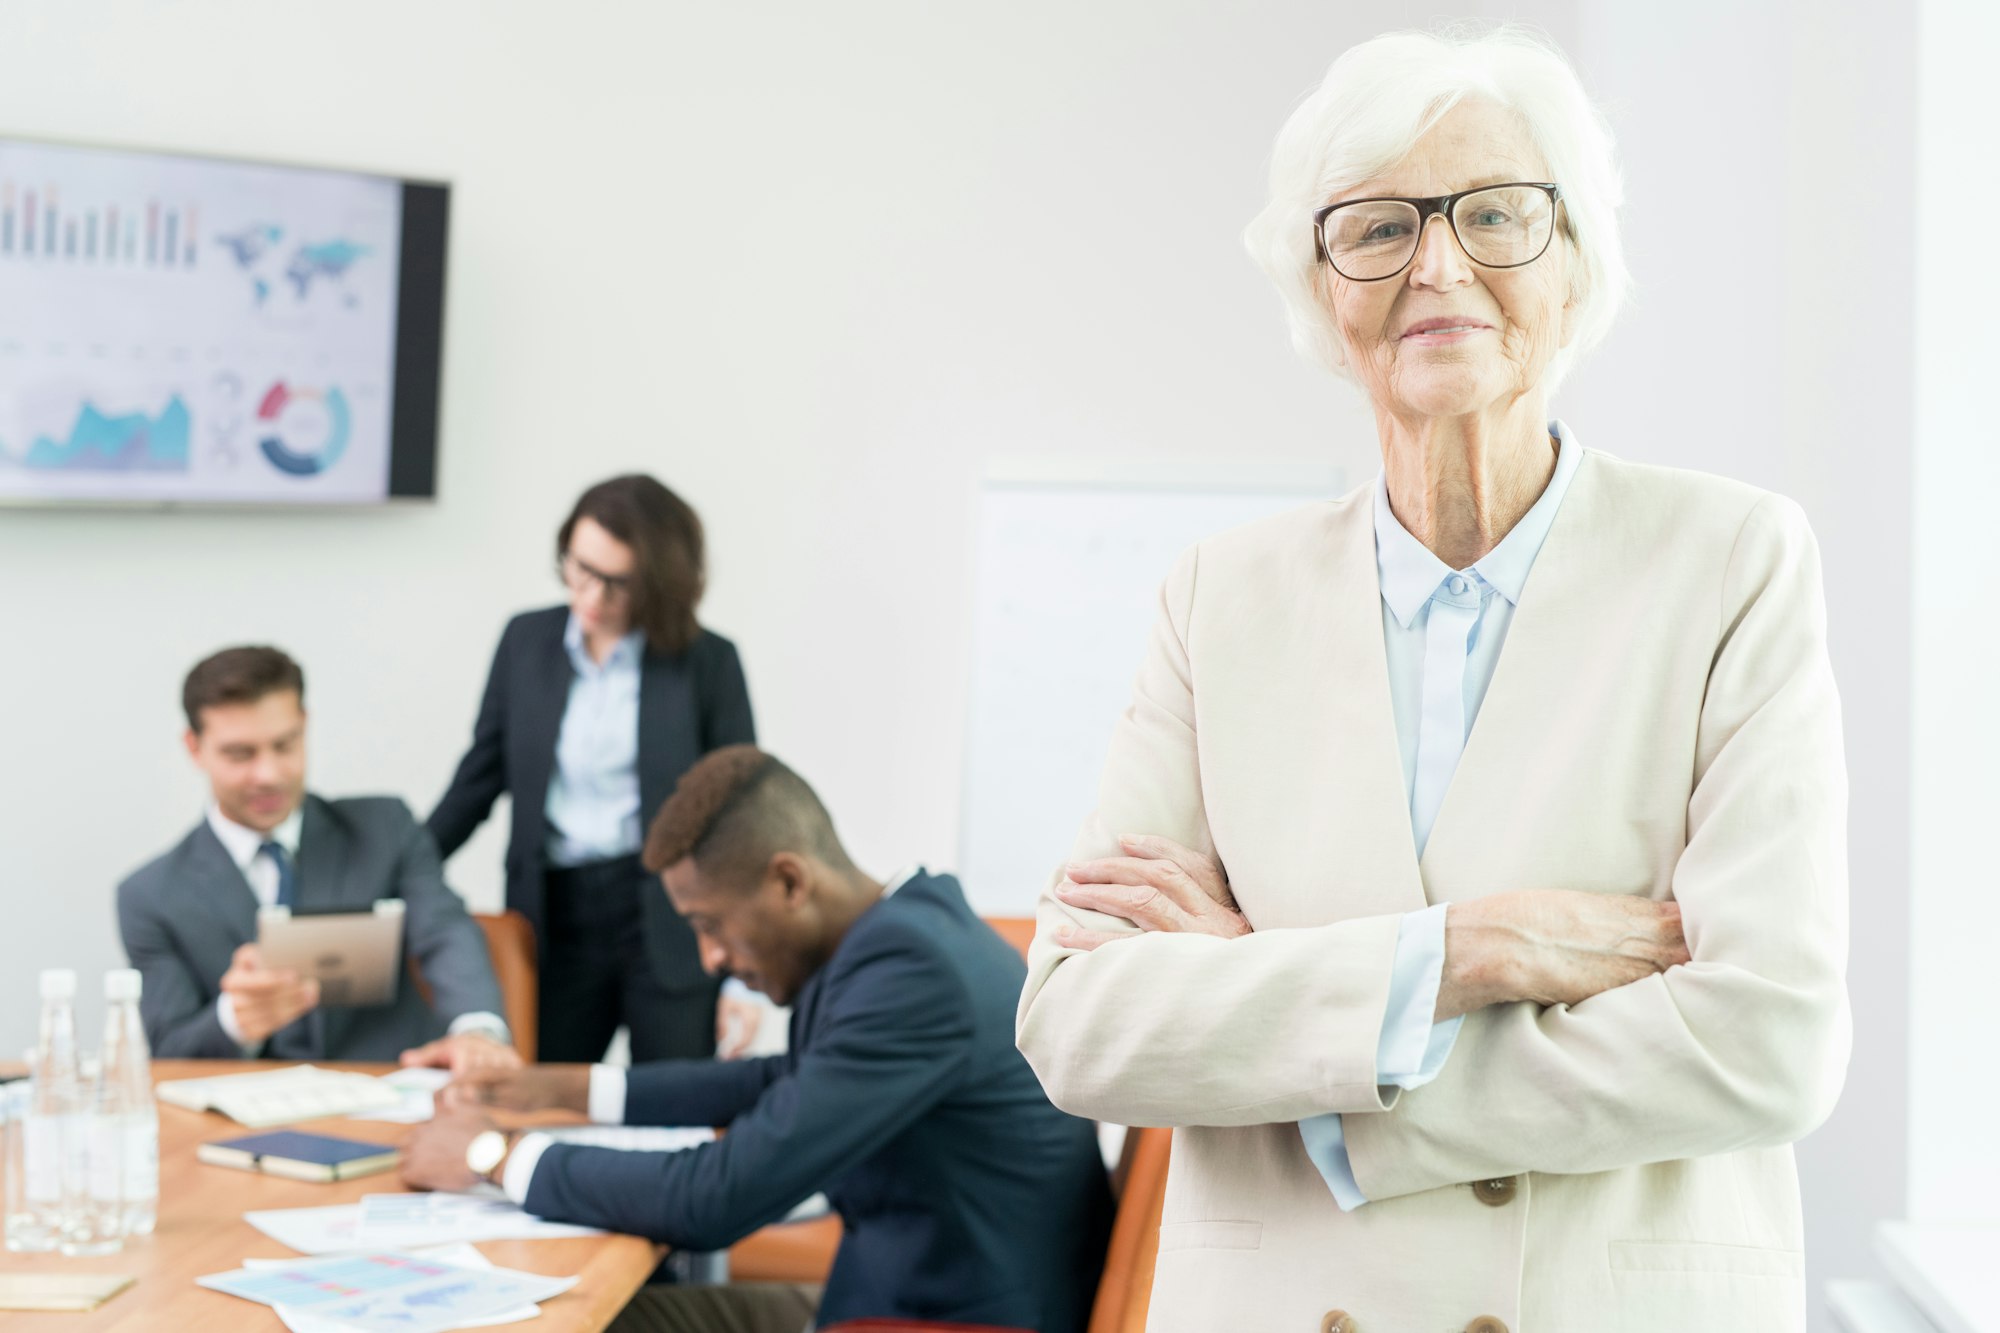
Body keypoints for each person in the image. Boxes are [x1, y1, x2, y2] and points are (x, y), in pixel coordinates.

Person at [1015, 26, 1850, 1333]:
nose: (1439, 264)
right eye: (1378, 226)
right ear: (1322, 290)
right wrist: (1462, 954)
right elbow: (1079, 1026)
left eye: (1498, 214)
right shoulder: (1215, 599)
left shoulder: (1731, 561)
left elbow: (1768, 1036)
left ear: (1576, 268)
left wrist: (1309, 1034)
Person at [402, 746, 1112, 1333]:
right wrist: (556, 1086)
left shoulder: (912, 973)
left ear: (788, 881)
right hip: (899, 1294)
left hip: (952, 1321)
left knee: (587, 1319)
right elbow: (778, 1080)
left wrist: (488, 1153)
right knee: (605, 1314)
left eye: (710, 924)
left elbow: (717, 1198)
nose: (710, 958)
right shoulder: (903, 933)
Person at [427, 474, 760, 1064]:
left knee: (672, 1109)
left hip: (666, 914)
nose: (592, 596)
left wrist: (741, 968)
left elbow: (740, 816)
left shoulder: (707, 663)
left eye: (618, 583)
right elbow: (480, 778)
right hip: (556, 918)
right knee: (545, 1101)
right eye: (579, 568)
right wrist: (401, 872)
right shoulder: (526, 642)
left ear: (661, 584)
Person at [116, 646, 519, 1072]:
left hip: (394, 1090)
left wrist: (477, 1030)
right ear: (194, 748)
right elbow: (168, 1047)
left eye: (285, 745)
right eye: (240, 754)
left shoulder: (384, 829)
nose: (268, 774)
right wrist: (236, 1019)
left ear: (305, 726)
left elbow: (445, 931)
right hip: (251, 1116)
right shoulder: (150, 896)